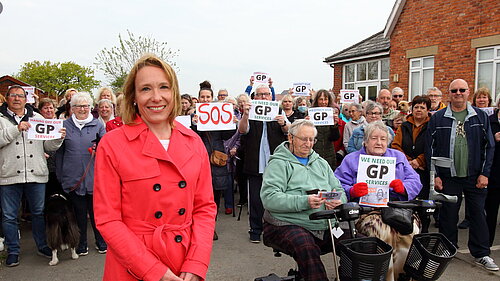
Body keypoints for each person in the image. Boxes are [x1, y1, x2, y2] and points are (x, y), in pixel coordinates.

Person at [94, 54, 217, 281]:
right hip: (132, 264)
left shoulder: (193, 142)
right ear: (133, 96)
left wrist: (197, 262)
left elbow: (205, 209)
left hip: (185, 263)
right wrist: (153, 271)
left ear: (174, 93)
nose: (156, 97)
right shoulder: (112, 144)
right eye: (145, 89)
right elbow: (107, 219)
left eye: (164, 87)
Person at [261, 119, 347, 281]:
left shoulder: (321, 163)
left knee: (357, 244)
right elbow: (269, 198)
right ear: (291, 138)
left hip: (326, 223)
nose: (308, 144)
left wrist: (338, 200)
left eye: (311, 140)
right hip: (286, 223)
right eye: (303, 139)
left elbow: (339, 190)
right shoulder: (278, 163)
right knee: (306, 248)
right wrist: (304, 201)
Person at [335, 121, 422, 280]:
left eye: (383, 139)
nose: (379, 142)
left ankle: (403, 276)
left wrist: (403, 188)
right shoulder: (351, 159)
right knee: (383, 233)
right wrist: (352, 191)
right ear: (365, 141)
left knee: (410, 232)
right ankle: (384, 277)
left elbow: (415, 180)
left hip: (398, 209)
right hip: (366, 212)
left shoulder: (398, 156)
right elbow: (337, 184)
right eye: (374, 138)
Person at [426, 79, 497, 271]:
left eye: (462, 90)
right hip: (448, 176)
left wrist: (485, 173)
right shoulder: (438, 118)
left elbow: (489, 146)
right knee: (448, 215)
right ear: (449, 94)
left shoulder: (480, 116)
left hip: (474, 176)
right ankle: (447, 250)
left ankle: (482, 254)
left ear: (468, 92)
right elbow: (430, 149)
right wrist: (436, 175)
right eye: (454, 90)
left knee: (477, 215)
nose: (458, 93)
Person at [0, 85, 66, 267]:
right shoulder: (1, 118)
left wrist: (58, 138)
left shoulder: (37, 118)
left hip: (36, 174)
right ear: (7, 98)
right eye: (13, 95)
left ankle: (42, 245)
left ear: (26, 99)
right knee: (9, 216)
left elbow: (48, 147)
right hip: (9, 174)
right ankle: (13, 250)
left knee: (38, 213)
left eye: (20, 96)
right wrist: (16, 129)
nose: (17, 99)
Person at [55, 92, 107, 256]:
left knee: (96, 213)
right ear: (72, 108)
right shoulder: (63, 125)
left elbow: (106, 150)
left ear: (91, 108)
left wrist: (99, 151)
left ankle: (101, 241)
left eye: (85, 106)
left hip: (95, 178)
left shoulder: (98, 125)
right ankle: (81, 243)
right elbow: (59, 153)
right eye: (78, 106)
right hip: (72, 177)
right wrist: (61, 175)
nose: (82, 109)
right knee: (78, 214)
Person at [239, 84, 289, 243]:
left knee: (277, 198)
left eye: (266, 94)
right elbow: (242, 130)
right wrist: (246, 115)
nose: (263, 97)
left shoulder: (278, 111)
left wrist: (283, 123)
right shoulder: (250, 112)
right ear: (254, 97)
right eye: (260, 95)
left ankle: (275, 229)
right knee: (255, 199)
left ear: (271, 96)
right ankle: (255, 230)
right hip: (255, 163)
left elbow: (289, 131)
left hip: (275, 165)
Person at [192, 81, 235, 236]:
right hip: (198, 161)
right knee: (197, 197)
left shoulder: (219, 114)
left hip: (216, 162)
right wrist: (194, 125)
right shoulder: (193, 117)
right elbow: (190, 138)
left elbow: (226, 136)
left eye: (208, 97)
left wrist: (232, 125)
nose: (205, 100)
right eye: (202, 97)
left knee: (214, 197)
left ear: (212, 98)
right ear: (198, 99)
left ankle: (211, 227)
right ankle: (198, 227)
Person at [391, 95, 431, 232]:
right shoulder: (404, 126)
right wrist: (408, 161)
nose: (419, 110)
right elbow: (395, 145)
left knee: (423, 204)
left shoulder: (432, 126)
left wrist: (419, 160)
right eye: (416, 107)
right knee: (408, 204)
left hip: (424, 169)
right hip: (405, 169)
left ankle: (423, 234)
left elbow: (433, 147)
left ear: (428, 110)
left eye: (422, 107)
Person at [310, 89, 340, 171]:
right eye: (321, 99)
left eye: (325, 99)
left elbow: (335, 138)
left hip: (329, 154)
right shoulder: (309, 114)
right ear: (317, 100)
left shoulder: (332, 114)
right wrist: (306, 124)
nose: (323, 102)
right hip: (313, 154)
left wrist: (335, 125)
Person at [486, 96, 500, 247]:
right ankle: (487, 243)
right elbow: (483, 144)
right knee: (490, 211)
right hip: (494, 172)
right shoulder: (490, 120)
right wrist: (493, 139)